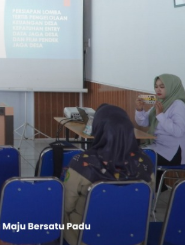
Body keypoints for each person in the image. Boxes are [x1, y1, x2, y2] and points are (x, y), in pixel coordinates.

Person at [63, 104, 153, 245]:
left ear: (97, 129)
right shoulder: (145, 162)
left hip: (87, 238)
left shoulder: (81, 162)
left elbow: (67, 205)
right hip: (131, 236)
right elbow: (149, 201)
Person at [135, 74, 185, 171]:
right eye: (156, 87)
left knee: (137, 159)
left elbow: (178, 131)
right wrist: (139, 109)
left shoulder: (179, 105)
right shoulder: (162, 102)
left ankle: (154, 185)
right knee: (132, 154)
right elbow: (144, 122)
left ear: (171, 87)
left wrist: (161, 115)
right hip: (159, 146)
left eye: (162, 87)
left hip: (174, 151)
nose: (158, 90)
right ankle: (159, 186)